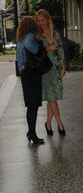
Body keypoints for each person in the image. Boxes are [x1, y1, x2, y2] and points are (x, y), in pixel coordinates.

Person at [35, 9, 66, 137]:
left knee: (51, 98)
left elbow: (61, 50)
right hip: (45, 71)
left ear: (48, 20)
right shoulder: (37, 36)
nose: (41, 23)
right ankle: (60, 124)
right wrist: (48, 48)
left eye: (43, 20)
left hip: (56, 68)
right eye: (38, 20)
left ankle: (48, 123)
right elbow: (36, 52)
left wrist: (63, 66)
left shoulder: (55, 34)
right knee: (52, 98)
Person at [16, 17, 45, 145]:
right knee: (33, 106)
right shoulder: (30, 35)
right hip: (31, 73)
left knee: (31, 106)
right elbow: (30, 47)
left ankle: (31, 132)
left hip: (25, 73)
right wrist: (39, 50)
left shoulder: (20, 38)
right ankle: (32, 134)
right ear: (31, 25)